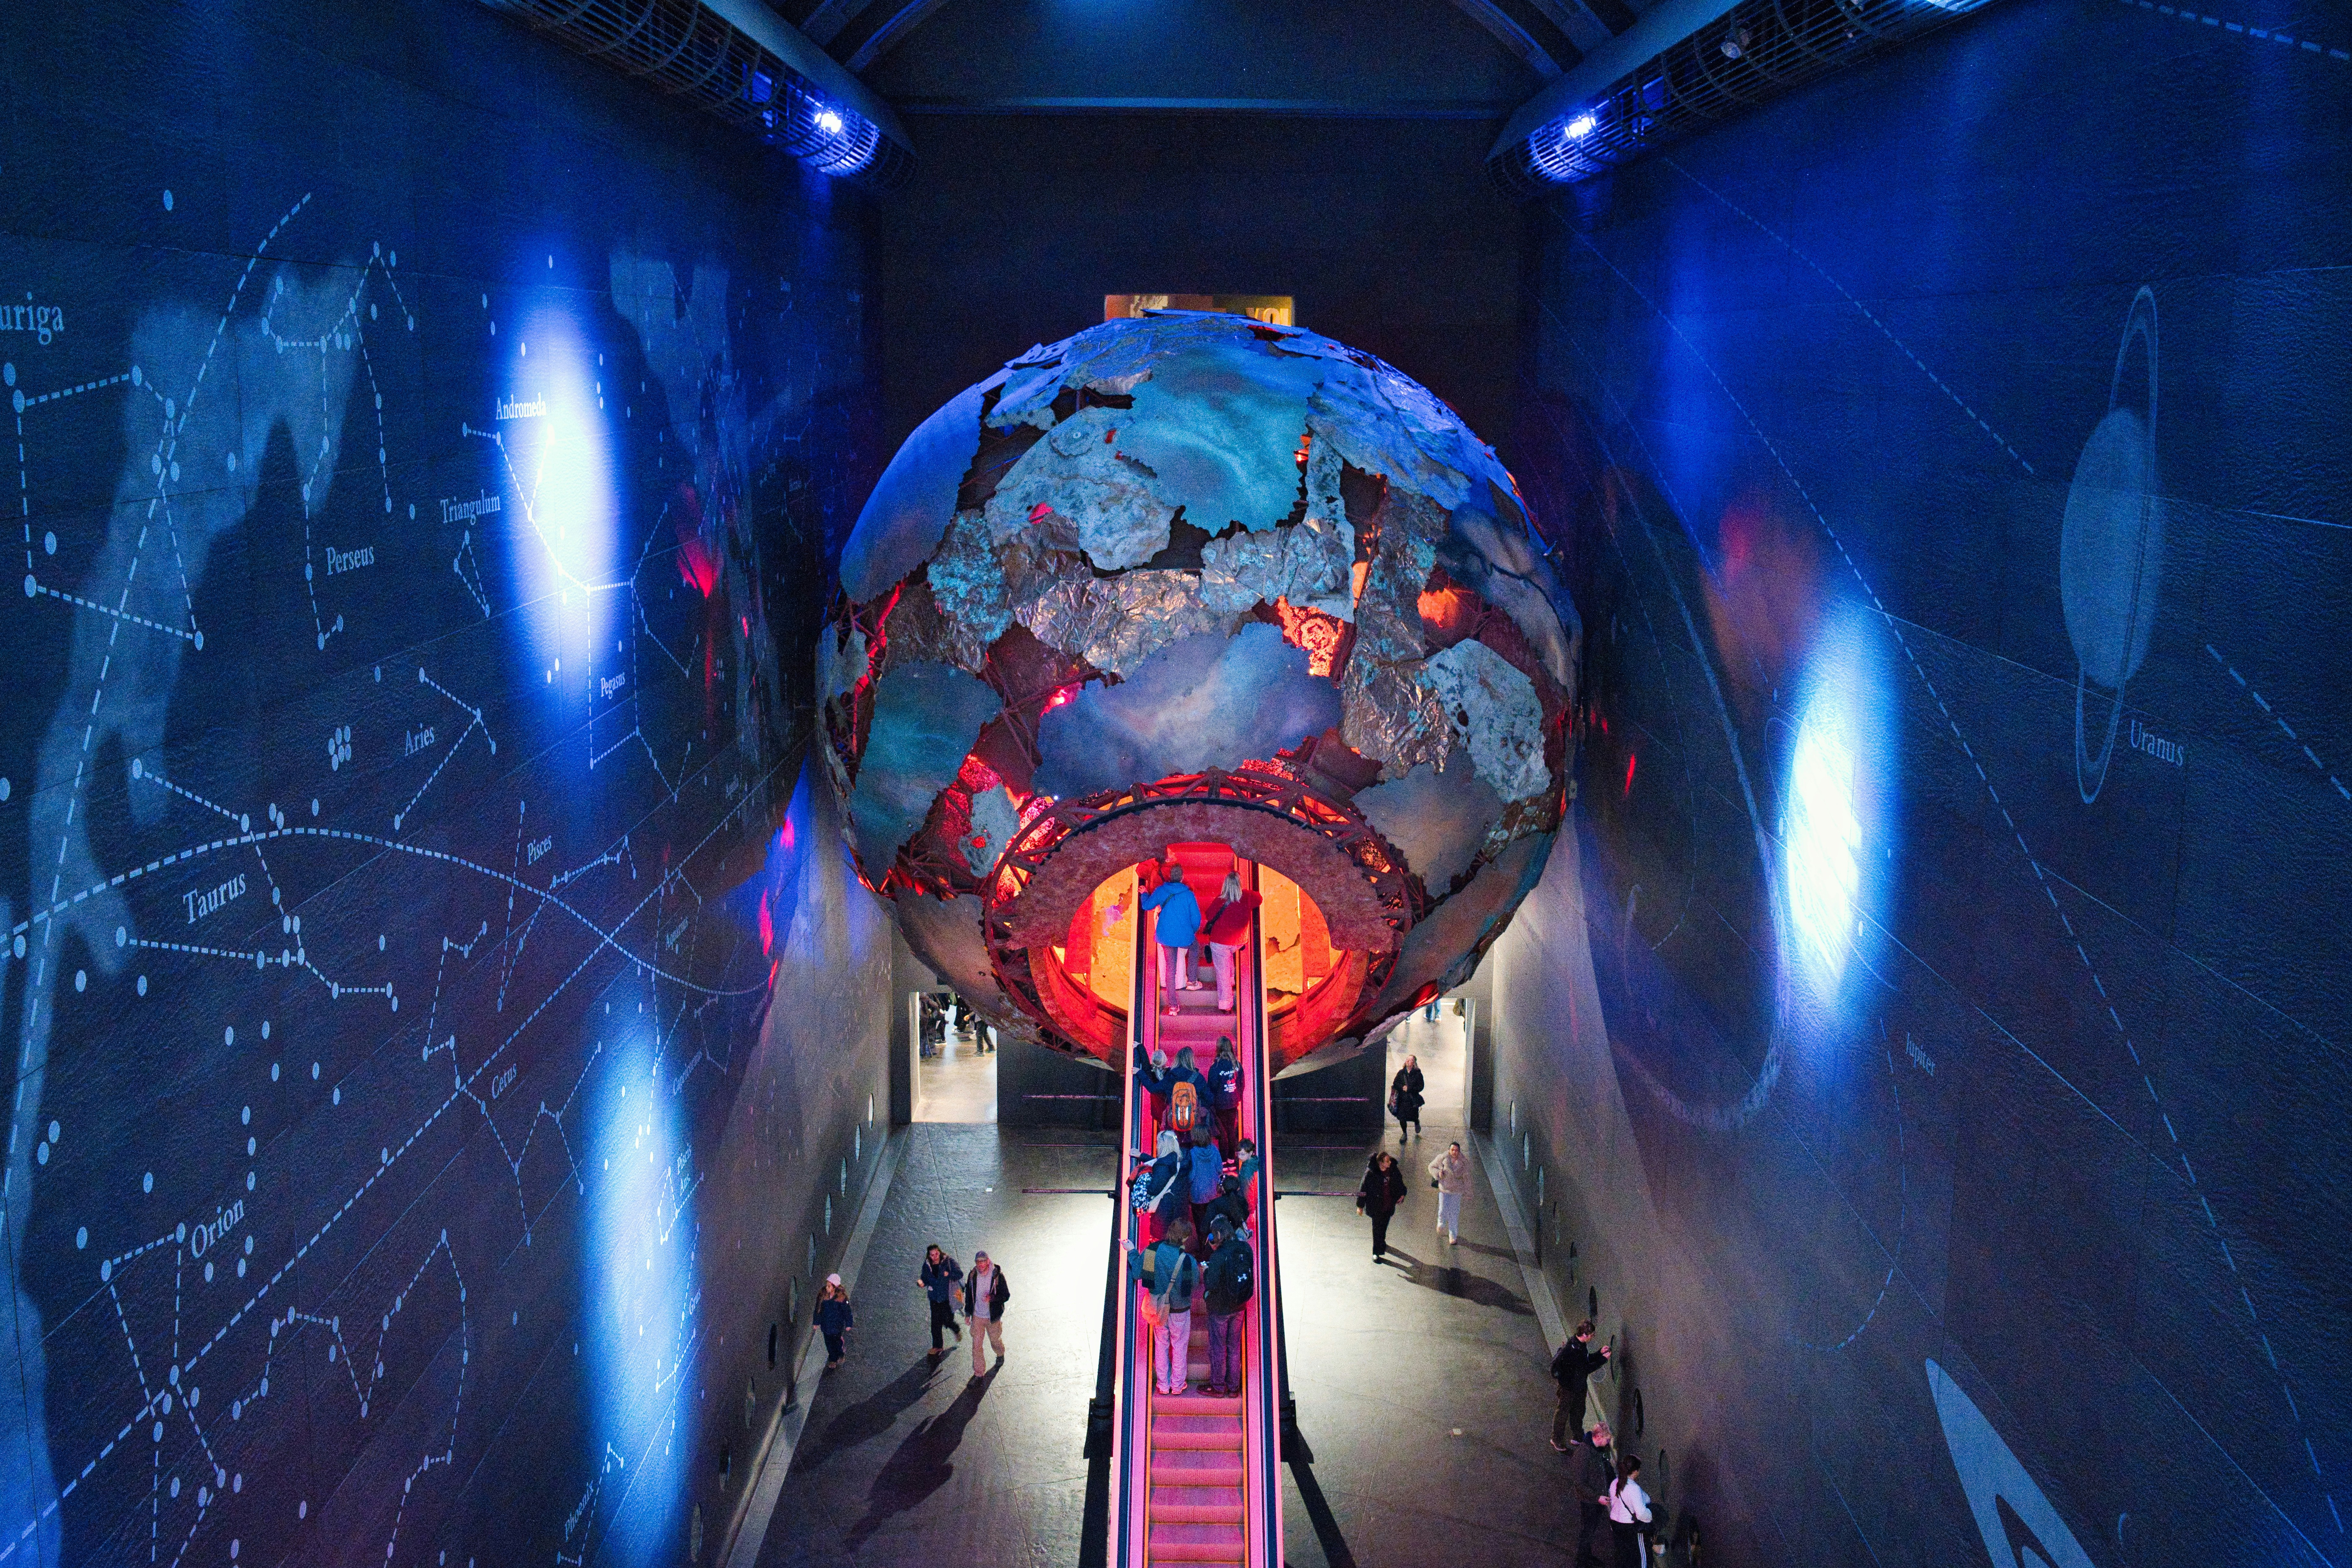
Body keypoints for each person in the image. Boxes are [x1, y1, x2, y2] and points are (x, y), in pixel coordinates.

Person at [1142, 1217, 1199, 1396]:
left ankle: (1163, 1385)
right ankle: (1177, 1385)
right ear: (1183, 1239)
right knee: (1180, 1346)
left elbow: (1141, 1274)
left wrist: (1131, 1252)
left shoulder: (1152, 1250)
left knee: (1161, 1345)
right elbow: (1193, 1286)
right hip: (1180, 1311)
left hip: (1158, 1310)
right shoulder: (1188, 1260)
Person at [1137, 856, 1204, 1006]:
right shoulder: (1189, 894)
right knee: (1195, 947)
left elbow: (1147, 906)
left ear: (1170, 877)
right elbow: (1196, 919)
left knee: (1170, 969)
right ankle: (1192, 981)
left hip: (1166, 937)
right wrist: (1191, 932)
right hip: (1185, 936)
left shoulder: (1162, 890)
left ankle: (1173, 1006)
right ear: (1182, 877)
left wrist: (1145, 894)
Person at [1201, 1215, 1255, 1397]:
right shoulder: (1245, 1248)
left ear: (1217, 1234)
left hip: (1220, 1309)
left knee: (1218, 1348)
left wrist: (1207, 1270)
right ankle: (1234, 1388)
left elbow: (1212, 1284)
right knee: (1234, 1348)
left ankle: (1218, 1387)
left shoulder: (1219, 1256)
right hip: (1240, 1306)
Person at [1199, 873, 1262, 1012]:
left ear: (1225, 885)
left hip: (1220, 942)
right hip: (1239, 941)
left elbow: (1209, 916)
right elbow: (1260, 898)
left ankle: (1226, 1005)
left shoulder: (1220, 900)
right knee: (1228, 957)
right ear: (1240, 884)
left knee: (1222, 973)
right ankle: (1232, 979)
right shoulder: (1247, 897)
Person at [1550, 1318, 1614, 1448]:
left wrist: (1599, 1353)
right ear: (1585, 1335)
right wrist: (1603, 1360)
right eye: (1592, 1335)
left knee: (1579, 1411)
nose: (1593, 1337)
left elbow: (1586, 1360)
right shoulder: (1573, 1351)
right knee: (1563, 1413)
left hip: (1578, 1386)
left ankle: (1578, 1437)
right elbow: (1586, 1369)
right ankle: (1556, 1440)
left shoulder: (1579, 1344)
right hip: (1569, 1388)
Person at [1136, 1041, 1211, 1142]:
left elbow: (1153, 1089)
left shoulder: (1172, 1076)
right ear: (1192, 1061)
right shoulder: (1198, 1078)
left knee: (1176, 1144)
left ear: (1177, 1059)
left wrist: (1140, 1073)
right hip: (1193, 1120)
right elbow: (1210, 1099)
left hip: (1174, 1119)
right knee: (1193, 1143)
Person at [1568, 1423, 1616, 1568]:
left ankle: (1586, 1556)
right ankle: (1582, 1561)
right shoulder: (1584, 1454)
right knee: (1587, 1530)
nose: (1608, 1443)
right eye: (1607, 1440)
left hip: (1595, 1500)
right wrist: (1597, 1498)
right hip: (1590, 1502)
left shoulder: (1594, 1449)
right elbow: (1580, 1484)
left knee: (1590, 1530)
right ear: (1599, 1437)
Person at [1131, 1129, 1186, 1244]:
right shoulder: (1176, 1159)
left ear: (1163, 1144)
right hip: (1176, 1207)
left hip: (1164, 1211)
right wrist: (1142, 1156)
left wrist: (1144, 1179)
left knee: (1162, 1242)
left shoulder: (1164, 1165)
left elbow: (1154, 1189)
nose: (1157, 1145)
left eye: (1158, 1142)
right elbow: (1159, 1163)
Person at [961, 1250, 1010, 1376]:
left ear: (988, 1261)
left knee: (995, 1340)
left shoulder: (997, 1276)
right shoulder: (973, 1276)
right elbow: (969, 1297)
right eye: (978, 1262)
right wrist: (968, 1314)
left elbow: (1006, 1296)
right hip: (978, 1317)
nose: (981, 1265)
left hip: (992, 1317)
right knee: (977, 1346)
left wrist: (992, 1298)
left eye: (983, 1262)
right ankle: (979, 1373)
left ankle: (1000, 1353)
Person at [1355, 1150, 1407, 1261]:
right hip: (1376, 1206)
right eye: (1387, 1161)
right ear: (1381, 1163)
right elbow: (1363, 1189)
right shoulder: (1371, 1173)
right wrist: (1360, 1206)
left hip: (1388, 1205)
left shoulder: (1393, 1169)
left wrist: (1402, 1194)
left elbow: (1400, 1182)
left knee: (1384, 1226)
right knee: (1377, 1229)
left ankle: (1382, 1242)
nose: (1390, 1163)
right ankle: (1376, 1252)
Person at [918, 1244, 964, 1362]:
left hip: (947, 1297)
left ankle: (956, 1329)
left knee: (947, 1320)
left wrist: (949, 1275)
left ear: (940, 1252)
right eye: (932, 1255)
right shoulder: (927, 1265)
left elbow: (960, 1274)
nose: (935, 1257)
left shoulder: (948, 1261)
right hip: (934, 1298)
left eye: (937, 1254)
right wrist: (922, 1282)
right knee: (935, 1323)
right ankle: (938, 1347)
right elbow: (925, 1278)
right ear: (929, 1255)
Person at [1605, 1453, 1652, 1568]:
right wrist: (1651, 1516)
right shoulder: (1634, 1488)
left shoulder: (1615, 1483)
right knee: (1643, 1559)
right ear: (1635, 1472)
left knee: (1624, 1557)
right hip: (1630, 1528)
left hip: (1616, 1524)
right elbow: (1642, 1514)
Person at [1185, 1121, 1225, 1250]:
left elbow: (1192, 1175)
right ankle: (1213, 1245)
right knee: (1212, 1220)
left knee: (1200, 1221)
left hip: (1197, 1194)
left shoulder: (1193, 1153)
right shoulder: (1215, 1149)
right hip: (1213, 1192)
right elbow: (1220, 1170)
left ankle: (1203, 1247)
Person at [1205, 1034, 1244, 1152]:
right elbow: (1242, 1084)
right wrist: (1238, 1098)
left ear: (1218, 1048)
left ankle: (1224, 1161)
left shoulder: (1216, 1067)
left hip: (1220, 1105)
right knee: (1231, 1131)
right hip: (1233, 1103)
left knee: (1222, 1133)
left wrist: (1212, 1102)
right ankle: (1232, 1160)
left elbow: (1212, 1086)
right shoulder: (1237, 1065)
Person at [1427, 1140, 1469, 1245]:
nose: (1455, 1152)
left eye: (1457, 1150)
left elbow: (1468, 1175)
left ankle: (1453, 1235)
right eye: (1452, 1150)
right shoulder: (1443, 1158)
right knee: (1443, 1210)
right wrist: (1438, 1173)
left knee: (1454, 1213)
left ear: (1459, 1152)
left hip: (1457, 1191)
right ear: (1449, 1150)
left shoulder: (1464, 1162)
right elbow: (1431, 1166)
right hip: (1445, 1190)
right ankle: (1441, 1224)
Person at [814, 1274, 853, 1370]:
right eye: (827, 1285)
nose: (827, 1288)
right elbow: (818, 1309)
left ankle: (840, 1353)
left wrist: (849, 1323)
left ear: (835, 1287)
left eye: (829, 1286)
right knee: (829, 1344)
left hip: (837, 1326)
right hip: (826, 1326)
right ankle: (833, 1359)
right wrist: (816, 1322)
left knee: (837, 1343)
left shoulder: (842, 1298)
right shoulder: (823, 1296)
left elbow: (847, 1311)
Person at [1389, 1055, 1425, 1140]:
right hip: (1402, 1100)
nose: (1408, 1061)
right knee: (1402, 1118)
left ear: (1414, 1063)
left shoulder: (1418, 1074)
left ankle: (1417, 1122)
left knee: (1414, 1116)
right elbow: (1395, 1084)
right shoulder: (1401, 1073)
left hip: (1413, 1100)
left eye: (1410, 1060)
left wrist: (1410, 1089)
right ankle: (1404, 1133)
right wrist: (1402, 1088)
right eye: (1407, 1059)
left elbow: (1421, 1086)